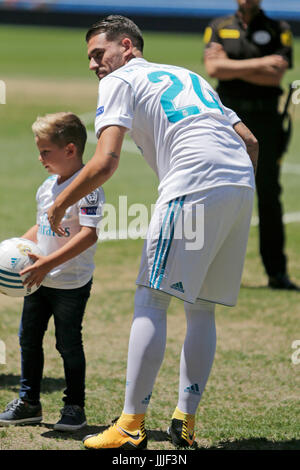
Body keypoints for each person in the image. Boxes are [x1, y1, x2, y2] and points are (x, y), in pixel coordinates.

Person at [47, 15, 258, 449]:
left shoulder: (120, 79)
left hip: (193, 184)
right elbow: (250, 142)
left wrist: (61, 201)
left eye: (97, 54)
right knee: (201, 307)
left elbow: (106, 161)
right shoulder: (190, 76)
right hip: (239, 186)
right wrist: (226, 190)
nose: (93, 65)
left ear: (127, 46)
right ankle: (185, 420)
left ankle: (130, 425)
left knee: (151, 298)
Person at [0, 112, 105, 431]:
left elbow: (89, 234)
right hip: (38, 280)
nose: (40, 157)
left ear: (70, 150)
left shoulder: (89, 185)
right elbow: (41, 226)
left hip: (70, 283)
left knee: (68, 344)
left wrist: (47, 264)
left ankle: (74, 407)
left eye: (46, 151)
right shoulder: (47, 186)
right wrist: (13, 250)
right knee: (28, 339)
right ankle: (29, 402)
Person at [203, 0, 299, 291]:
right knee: (218, 191)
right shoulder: (219, 26)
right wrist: (260, 63)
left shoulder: (279, 29)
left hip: (266, 120)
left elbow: (276, 75)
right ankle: (207, 270)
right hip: (228, 118)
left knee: (269, 195)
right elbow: (213, 68)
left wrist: (231, 67)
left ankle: (277, 273)